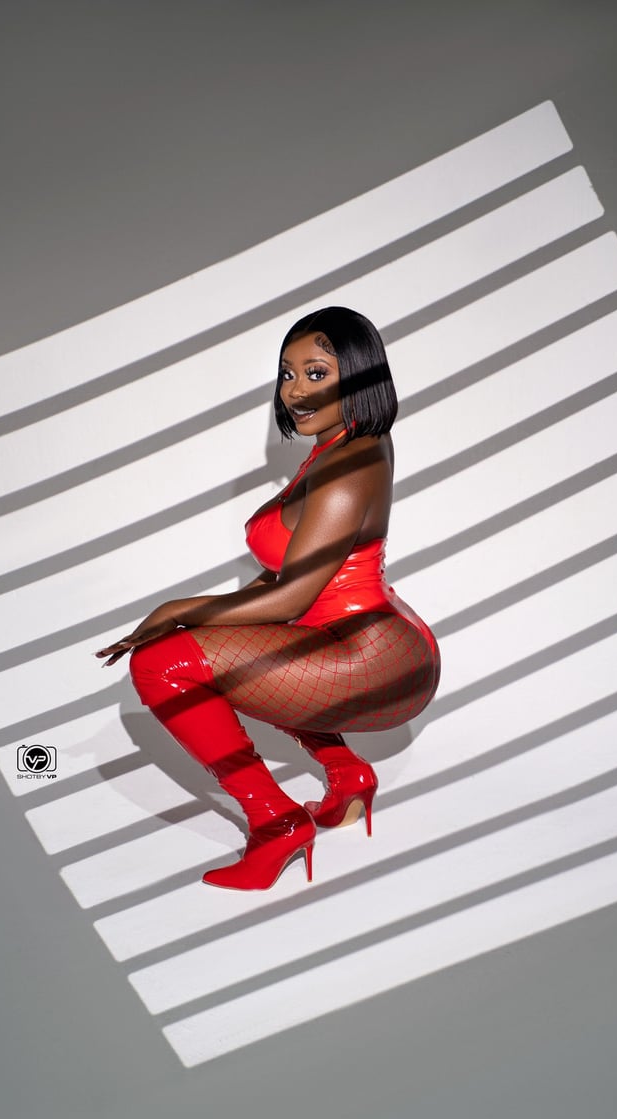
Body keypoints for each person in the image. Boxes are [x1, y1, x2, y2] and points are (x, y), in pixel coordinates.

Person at [95, 306, 440, 891]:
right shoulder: (338, 446)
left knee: (161, 664)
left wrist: (179, 611)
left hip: (375, 655)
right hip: (353, 637)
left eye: (317, 373)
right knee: (221, 650)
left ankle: (275, 823)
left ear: (359, 374)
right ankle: (347, 777)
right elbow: (289, 578)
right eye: (287, 374)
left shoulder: (348, 464)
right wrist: (202, 622)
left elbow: (292, 598)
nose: (296, 391)